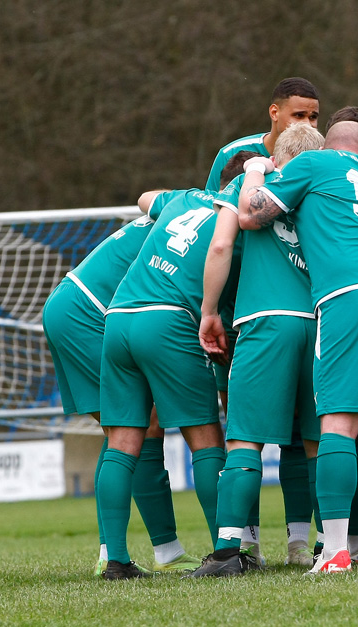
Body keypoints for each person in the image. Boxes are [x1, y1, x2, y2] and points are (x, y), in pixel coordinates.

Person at [238, 121, 358, 573]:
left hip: (350, 295)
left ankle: (336, 551)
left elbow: (250, 214)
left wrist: (254, 170)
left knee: (338, 423)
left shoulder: (313, 162)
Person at [189, 128, 327, 578]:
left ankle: (229, 551)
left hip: (267, 319)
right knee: (320, 440)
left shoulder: (253, 185)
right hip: (323, 320)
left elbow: (223, 243)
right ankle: (334, 544)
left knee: (245, 439)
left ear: (276, 156)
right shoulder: (326, 187)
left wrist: (210, 310)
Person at [42, 215, 201, 577]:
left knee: (139, 425)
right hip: (86, 314)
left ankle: (160, 550)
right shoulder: (209, 221)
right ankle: (117, 553)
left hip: (77, 305)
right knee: (129, 428)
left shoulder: (179, 205)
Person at [96, 188, 229, 580]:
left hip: (118, 316)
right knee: (205, 438)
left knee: (121, 442)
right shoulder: (237, 212)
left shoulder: (184, 199)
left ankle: (116, 560)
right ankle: (225, 551)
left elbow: (145, 197)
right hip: (168, 319)